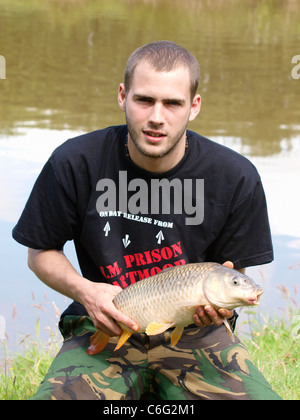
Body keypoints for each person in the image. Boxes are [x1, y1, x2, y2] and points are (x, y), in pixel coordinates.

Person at [12, 41, 281, 400]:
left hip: (197, 335)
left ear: (194, 106)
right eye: (144, 100)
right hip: (105, 323)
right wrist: (86, 291)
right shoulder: (76, 161)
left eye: (172, 103)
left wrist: (217, 308)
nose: (157, 117)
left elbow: (237, 275)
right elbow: (39, 252)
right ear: (122, 96)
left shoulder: (234, 177)